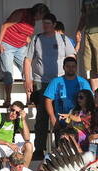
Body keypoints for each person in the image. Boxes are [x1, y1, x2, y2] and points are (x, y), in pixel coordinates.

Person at [23, 13, 76, 159]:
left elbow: (72, 57)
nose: (44, 26)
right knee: (42, 116)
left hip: (60, 82)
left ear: (54, 24)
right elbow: (27, 60)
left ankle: (61, 147)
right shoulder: (36, 39)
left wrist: (70, 78)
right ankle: (39, 149)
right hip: (41, 81)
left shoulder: (63, 39)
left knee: (61, 114)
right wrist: (27, 79)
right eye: (43, 23)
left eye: (47, 23)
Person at [0, 3, 49, 106]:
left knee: (27, 72)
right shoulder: (21, 13)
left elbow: (24, 34)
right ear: (39, 12)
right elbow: (4, 26)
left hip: (20, 47)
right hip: (7, 45)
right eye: (42, 16)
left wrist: (30, 42)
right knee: (8, 73)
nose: (42, 19)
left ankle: (29, 98)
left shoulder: (33, 21)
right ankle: (8, 99)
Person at [44, 57, 92, 134]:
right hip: (60, 122)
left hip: (79, 123)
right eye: (68, 66)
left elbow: (90, 99)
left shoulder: (83, 82)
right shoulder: (55, 81)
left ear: (76, 67)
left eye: (73, 66)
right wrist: (53, 118)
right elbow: (48, 100)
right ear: (63, 67)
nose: (71, 69)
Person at [0, 101, 33, 168]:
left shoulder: (18, 120)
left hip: (11, 146)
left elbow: (27, 138)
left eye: (17, 113)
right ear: (9, 108)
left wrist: (23, 120)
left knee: (29, 145)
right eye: (12, 110)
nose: (13, 113)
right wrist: (7, 143)